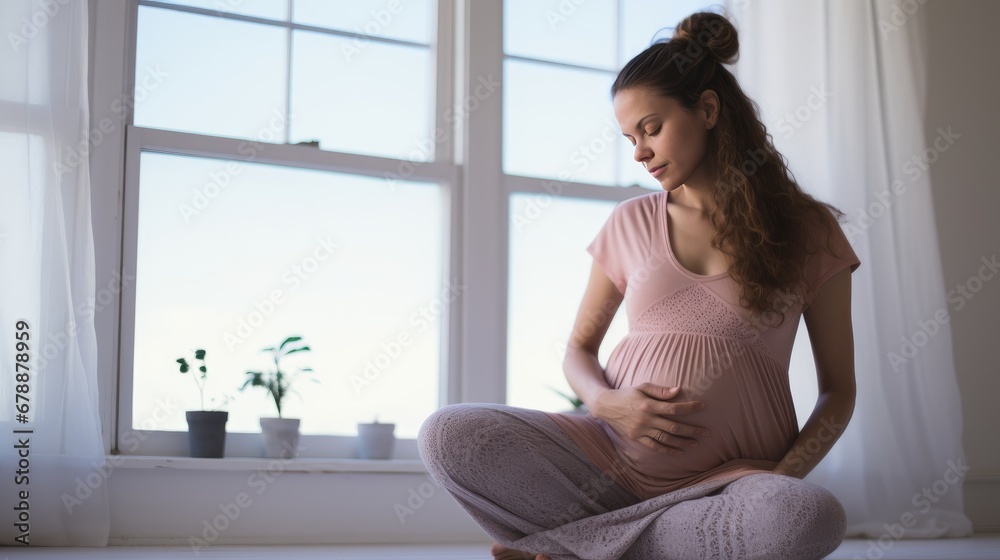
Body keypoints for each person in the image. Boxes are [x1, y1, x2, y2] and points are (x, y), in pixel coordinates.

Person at [418, 11, 858, 560]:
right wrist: (606, 404)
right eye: (629, 137)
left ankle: (572, 547)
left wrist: (786, 476)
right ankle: (634, 540)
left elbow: (839, 392)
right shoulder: (629, 222)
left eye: (651, 128)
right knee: (448, 434)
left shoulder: (808, 229)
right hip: (608, 464)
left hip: (733, 484)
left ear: (708, 110)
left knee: (807, 517)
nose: (639, 152)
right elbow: (579, 348)